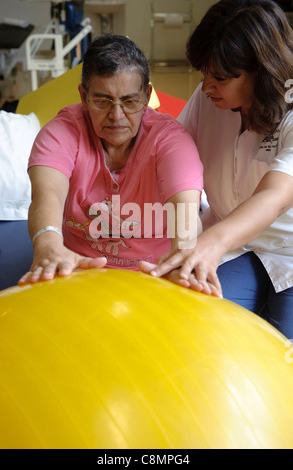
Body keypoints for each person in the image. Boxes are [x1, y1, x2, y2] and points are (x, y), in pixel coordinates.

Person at [140, 0, 293, 338]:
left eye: (220, 78)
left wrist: (209, 244)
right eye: (204, 74)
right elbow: (171, 158)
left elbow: (277, 195)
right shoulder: (208, 98)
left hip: (287, 251)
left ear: (263, 71)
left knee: (281, 355)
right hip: (236, 246)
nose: (207, 87)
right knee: (189, 323)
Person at [19, 35, 203, 286]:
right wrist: (49, 244)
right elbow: (47, 194)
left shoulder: (170, 140)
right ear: (83, 97)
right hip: (76, 270)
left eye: (129, 101)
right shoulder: (61, 132)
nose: (116, 116)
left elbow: (186, 213)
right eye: (102, 101)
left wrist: (183, 259)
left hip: (156, 275)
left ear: (147, 96)